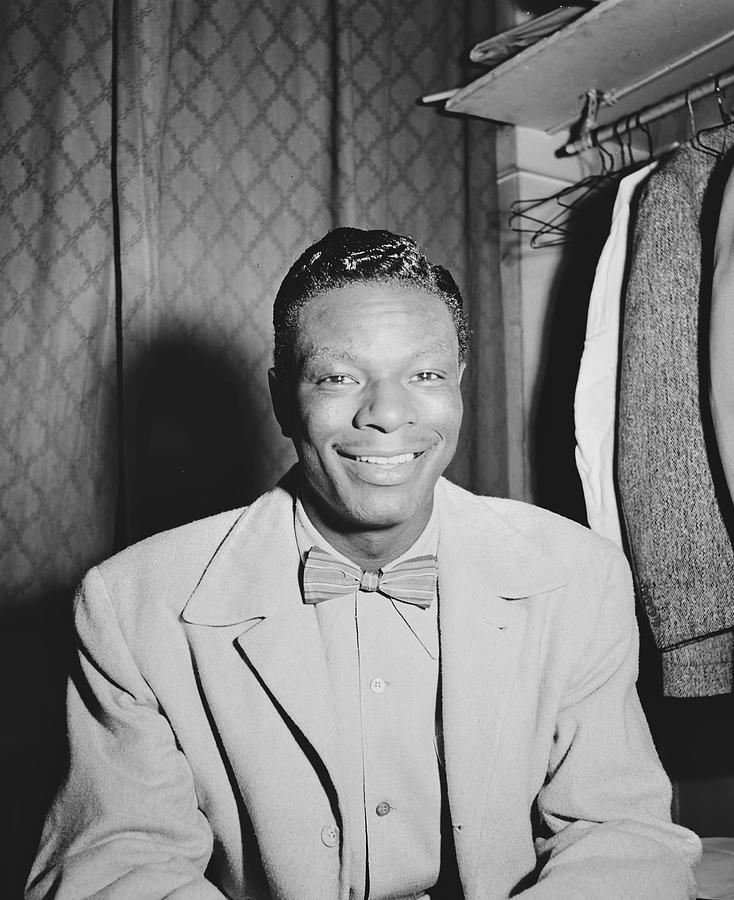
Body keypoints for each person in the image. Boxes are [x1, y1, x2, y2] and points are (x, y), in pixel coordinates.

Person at [26, 228, 701, 899]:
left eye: (425, 374)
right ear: (282, 397)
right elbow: (116, 869)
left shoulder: (581, 576)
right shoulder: (131, 605)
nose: (386, 412)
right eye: (339, 376)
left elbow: (624, 832)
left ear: (460, 387)